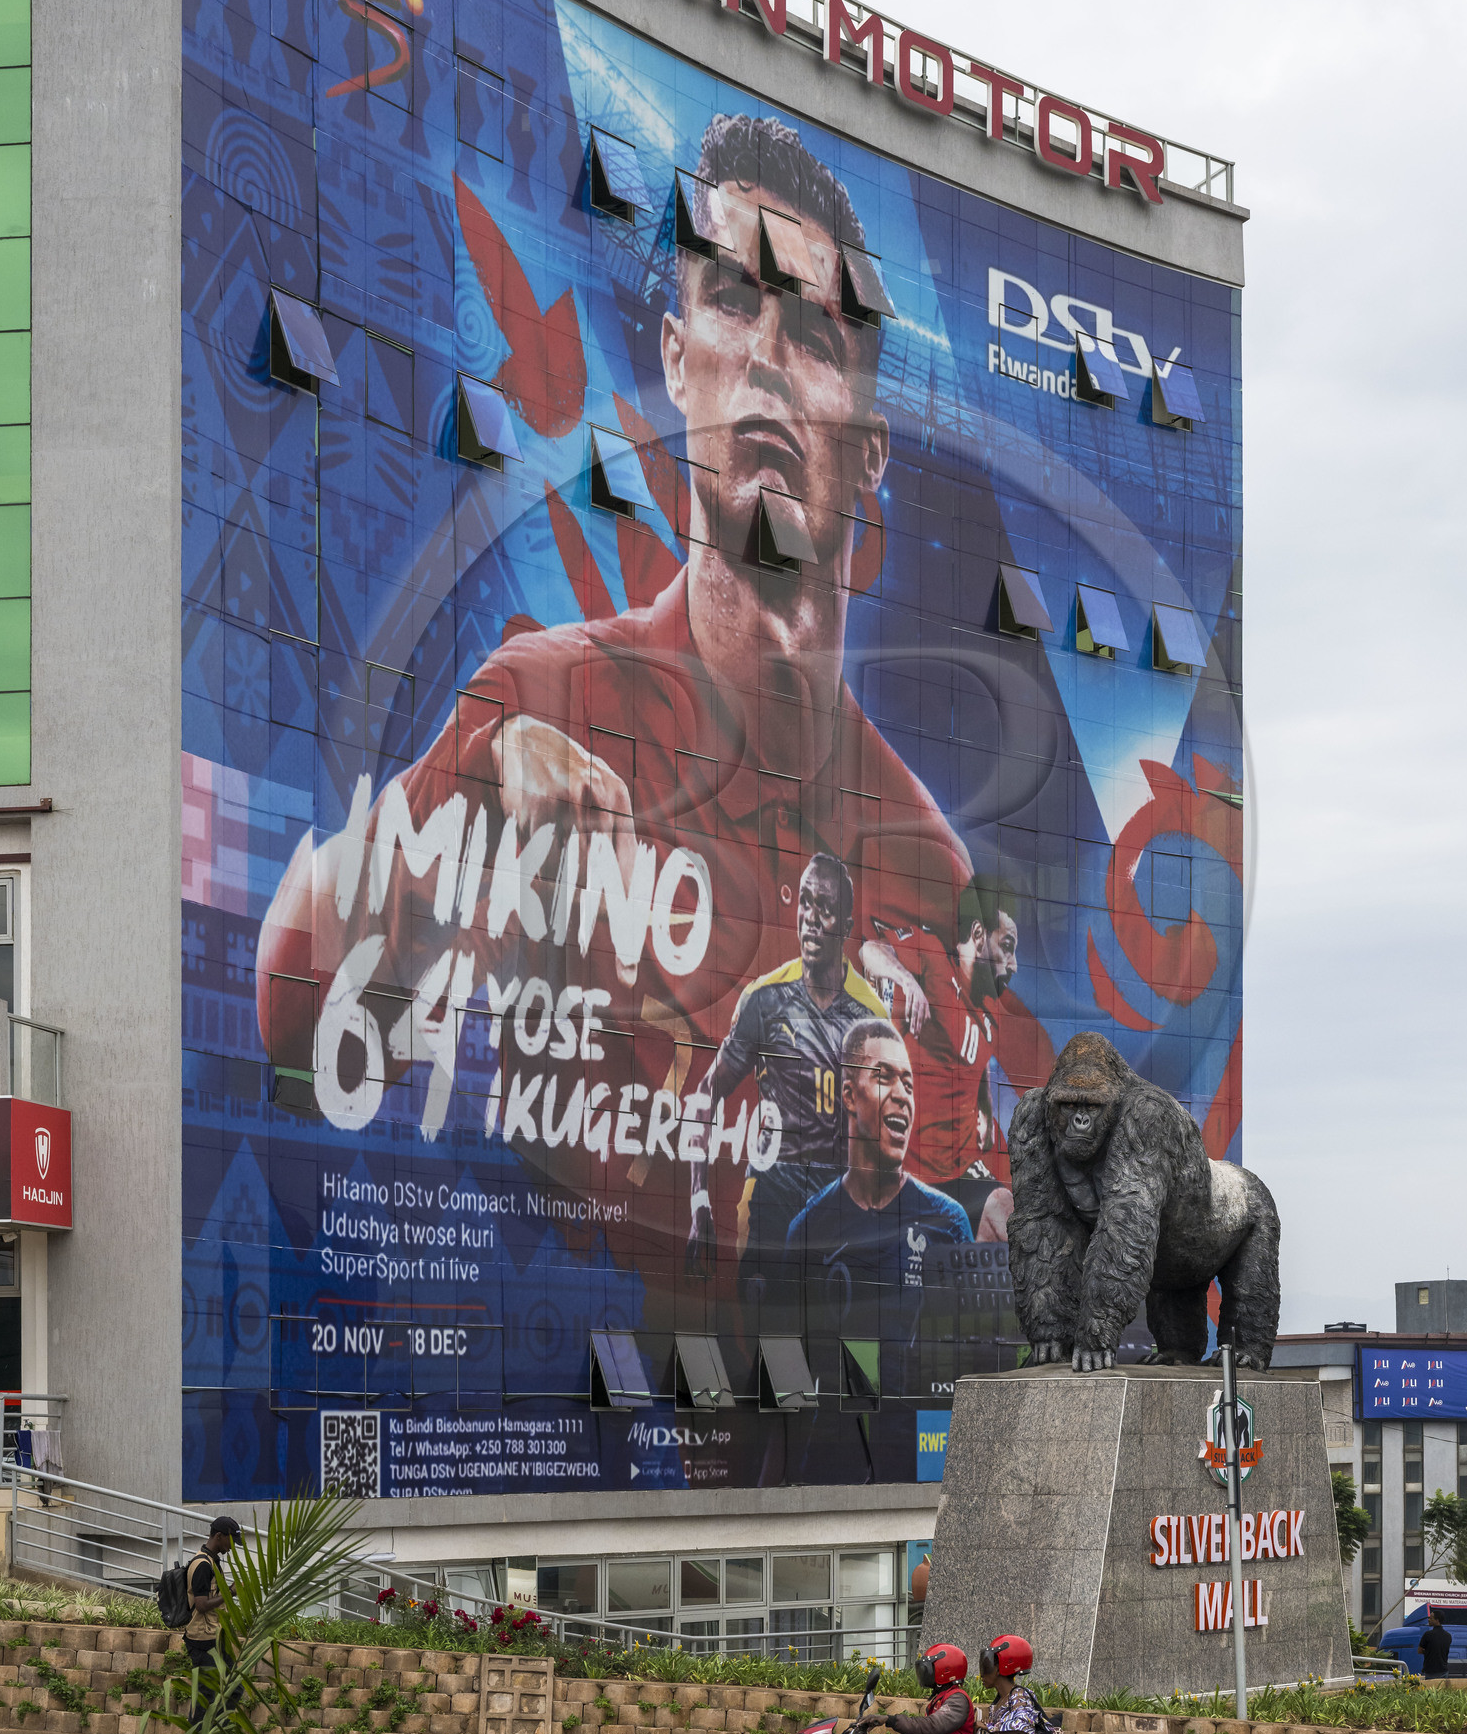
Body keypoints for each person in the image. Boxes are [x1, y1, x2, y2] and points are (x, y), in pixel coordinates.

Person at [256, 112, 971, 1201]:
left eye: (818, 340)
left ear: (869, 452)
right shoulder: (541, 704)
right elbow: (301, 1030)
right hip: (551, 1332)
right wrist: (476, 804)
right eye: (733, 304)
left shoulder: (928, 864)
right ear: (678, 364)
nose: (768, 364)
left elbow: (938, 1197)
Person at [687, 853, 887, 1283]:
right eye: (805, 902)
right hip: (772, 1199)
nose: (811, 918)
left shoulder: (870, 1019)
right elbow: (706, 1095)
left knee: (824, 1340)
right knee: (766, 1328)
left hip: (837, 1208)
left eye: (826, 909)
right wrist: (697, 1197)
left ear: (846, 928)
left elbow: (887, 1130)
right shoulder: (766, 1001)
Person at [779, 1020, 973, 1385]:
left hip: (923, 1439)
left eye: (909, 1084)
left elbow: (967, 1357)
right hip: (837, 1437)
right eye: (884, 1076)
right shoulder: (807, 1230)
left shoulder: (948, 1221)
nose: (902, 1094)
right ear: (850, 1096)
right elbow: (790, 1371)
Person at [861, 878, 1019, 1234]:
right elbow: (870, 950)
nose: (1013, 965)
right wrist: (906, 979)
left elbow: (978, 1068)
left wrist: (986, 1113)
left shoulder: (990, 1011)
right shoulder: (931, 955)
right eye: (1007, 947)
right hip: (912, 1171)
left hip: (961, 1169)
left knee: (1009, 1215)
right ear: (978, 934)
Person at [182, 1515, 242, 1724]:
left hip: (214, 1637)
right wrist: (231, 1593)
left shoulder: (211, 1561)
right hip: (202, 1640)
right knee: (205, 1697)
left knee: (234, 1689)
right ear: (219, 1536)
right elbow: (201, 1604)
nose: (232, 1548)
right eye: (231, 1542)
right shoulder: (202, 1565)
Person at [1418, 1608, 1452, 1680]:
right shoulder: (1448, 1636)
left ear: (1437, 1620)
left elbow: (1419, 1650)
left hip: (1431, 1672)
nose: (1429, 1620)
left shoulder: (1428, 1635)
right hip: (1444, 1671)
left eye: (1431, 1618)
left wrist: (1428, 1652)